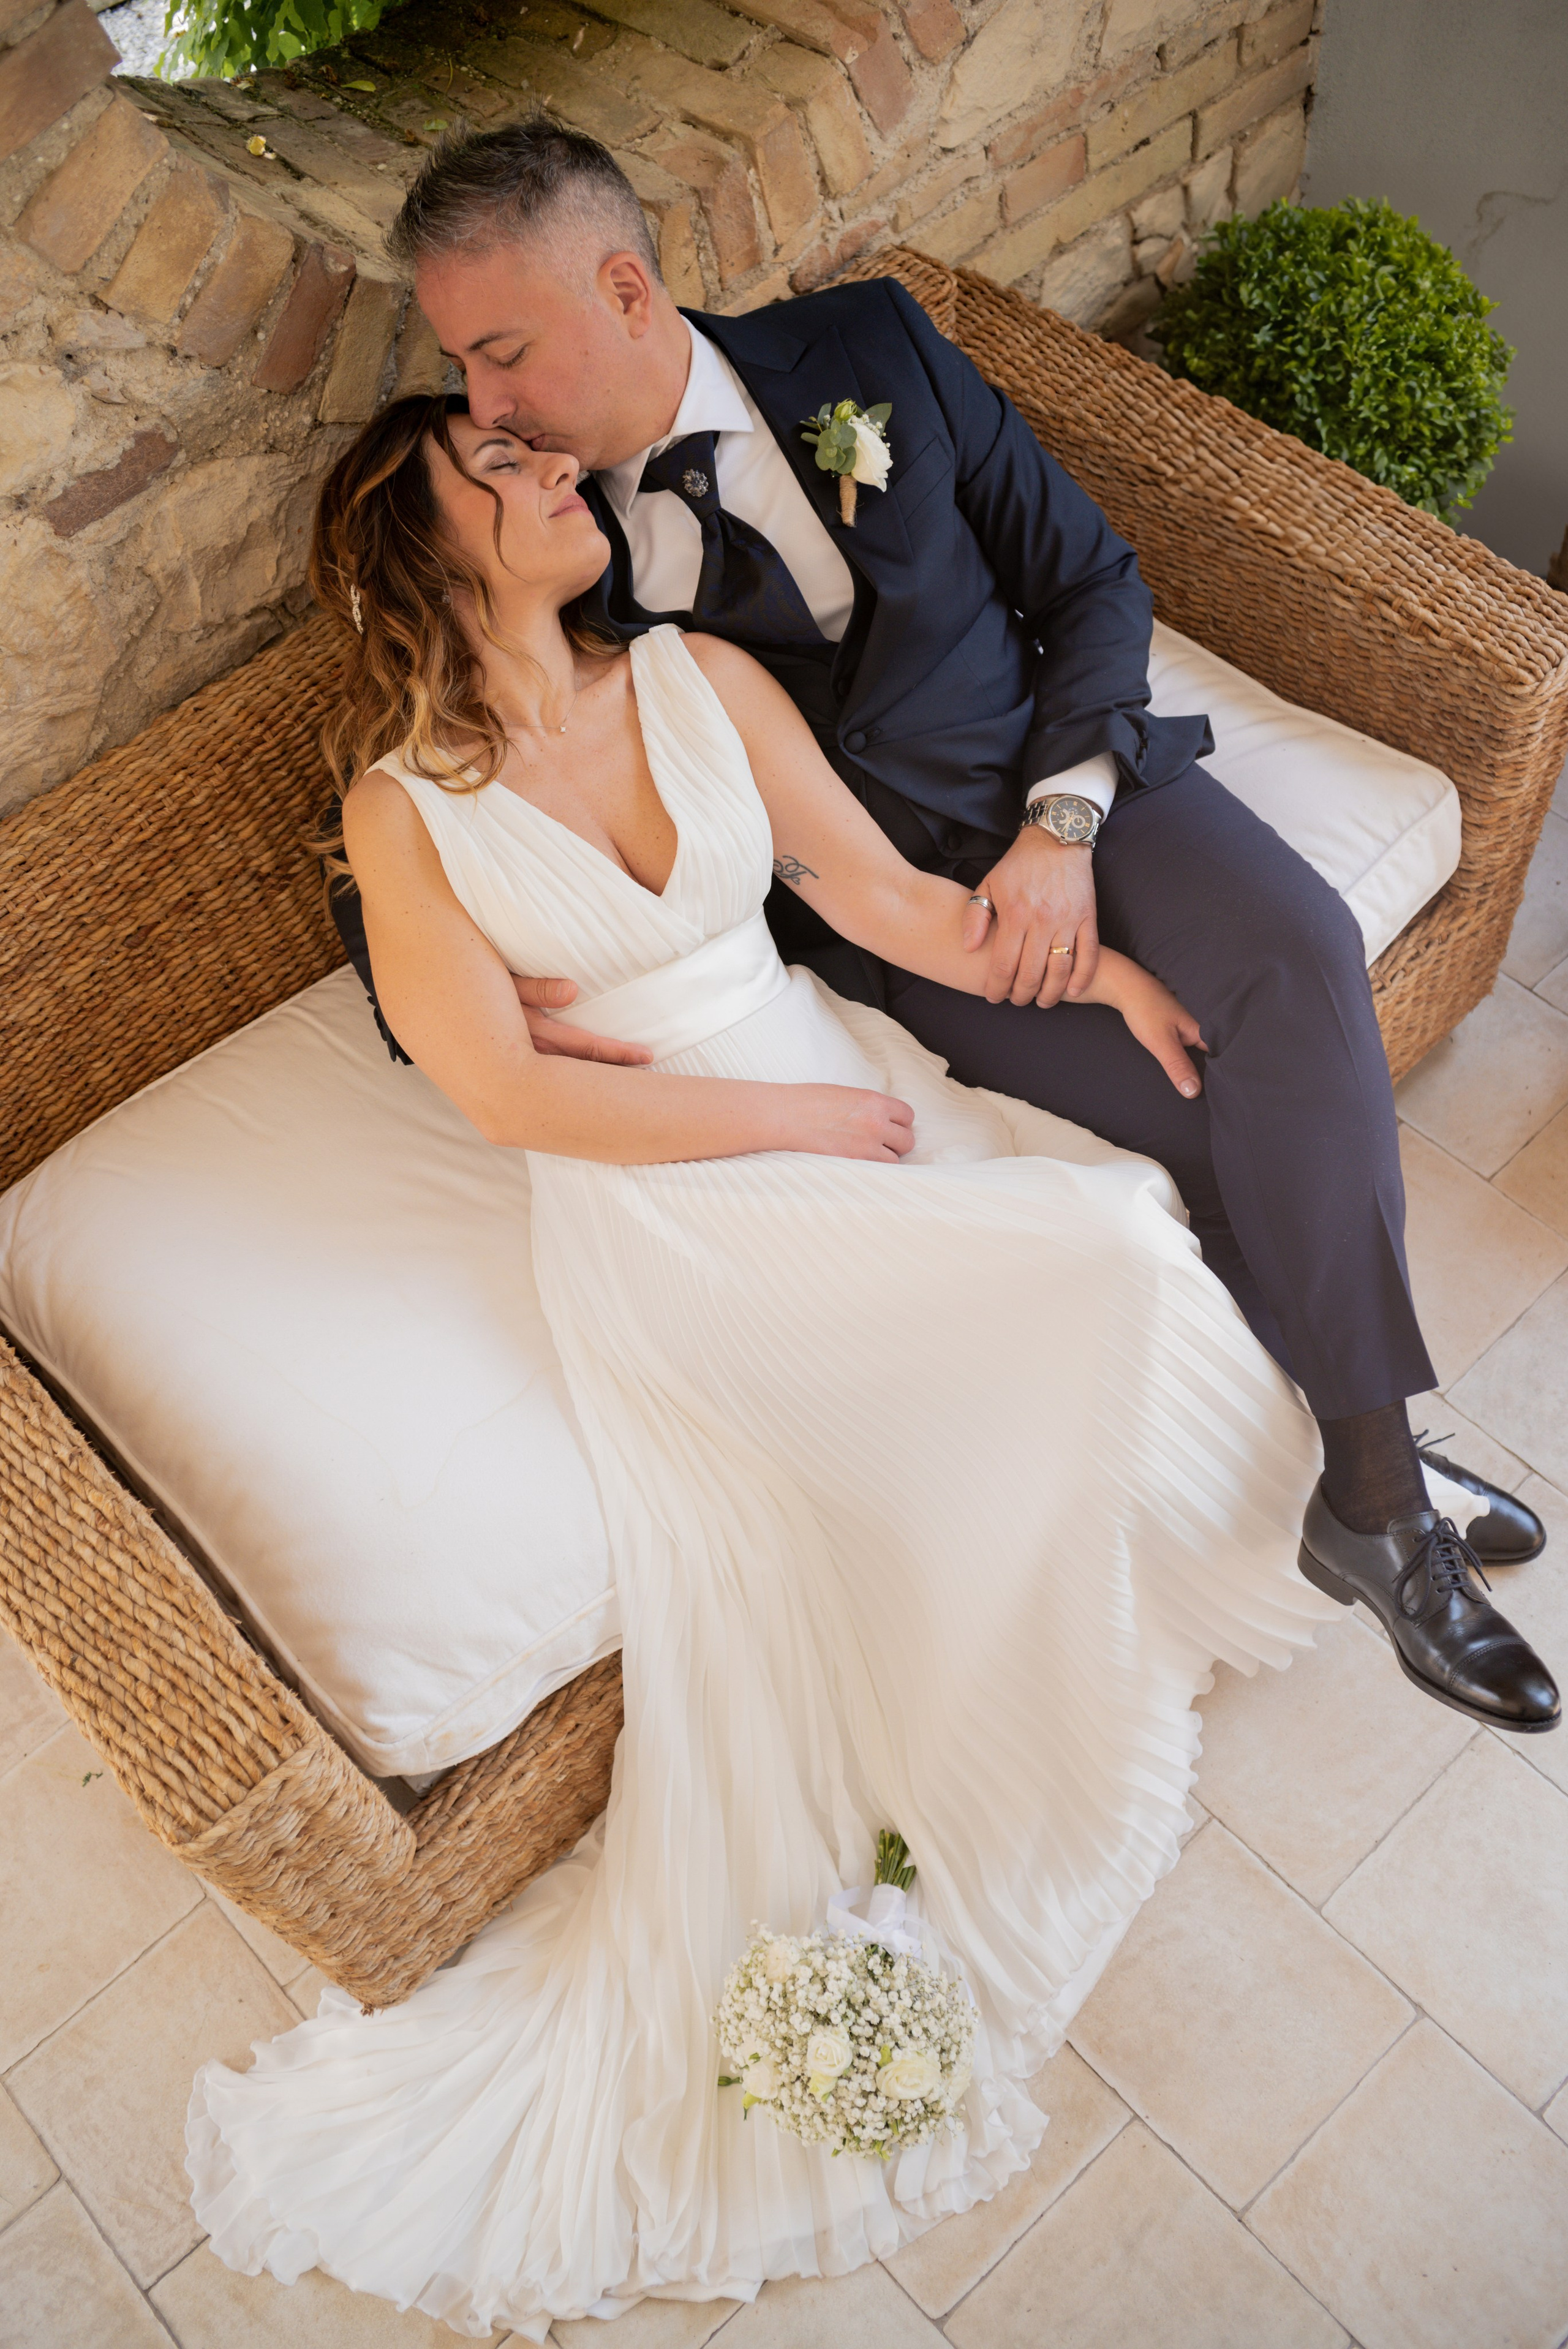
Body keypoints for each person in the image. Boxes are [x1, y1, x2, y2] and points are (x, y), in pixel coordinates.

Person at [190, 386, 1344, 2333]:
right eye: (506, 471)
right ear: (427, 549)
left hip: (823, 1075)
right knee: (1078, 1259)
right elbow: (503, 1090)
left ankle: (1096, 1583)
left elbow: (879, 902)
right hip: (680, 1214)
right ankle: (926, 1823)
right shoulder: (406, 809)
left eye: (544, 453)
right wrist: (783, 1130)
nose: (557, 470)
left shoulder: (701, 671)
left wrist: (1097, 966)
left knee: (1111, 1241)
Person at [324, 120, 1550, 1735]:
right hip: (903, 924)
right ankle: (1374, 1462)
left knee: (1300, 954)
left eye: (500, 355)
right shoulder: (563, 558)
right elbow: (419, 830)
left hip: (1085, 791)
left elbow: (1092, 584)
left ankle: (1377, 1488)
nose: (487, 407)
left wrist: (1065, 825)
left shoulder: (870, 349)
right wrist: (481, 1008)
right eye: (467, 377)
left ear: (623, 287)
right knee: (1185, 1125)